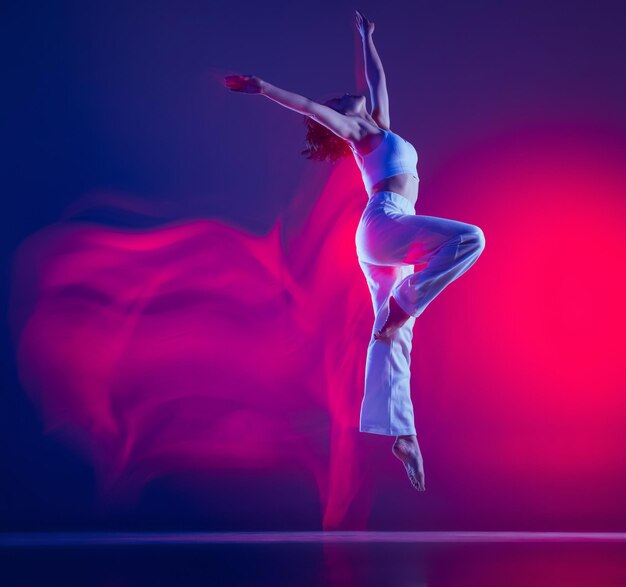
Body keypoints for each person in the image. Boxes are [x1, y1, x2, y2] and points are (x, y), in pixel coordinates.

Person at [224, 9, 485, 492]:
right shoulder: (358, 133)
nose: (350, 94)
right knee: (469, 239)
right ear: (344, 116)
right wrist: (263, 88)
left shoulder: (379, 125)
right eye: (343, 100)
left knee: (391, 336)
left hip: (387, 234)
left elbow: (376, 78)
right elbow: (306, 105)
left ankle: (404, 434)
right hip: (385, 224)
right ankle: (406, 304)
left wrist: (365, 37)